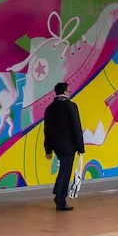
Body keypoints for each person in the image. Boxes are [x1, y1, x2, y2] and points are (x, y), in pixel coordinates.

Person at [42, 81, 84, 211]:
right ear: (65, 92)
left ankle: (59, 196)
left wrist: (48, 149)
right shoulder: (70, 106)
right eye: (69, 90)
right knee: (65, 172)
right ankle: (60, 198)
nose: (70, 92)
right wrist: (81, 147)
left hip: (56, 146)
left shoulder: (49, 108)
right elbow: (76, 127)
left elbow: (46, 130)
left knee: (63, 170)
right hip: (68, 146)